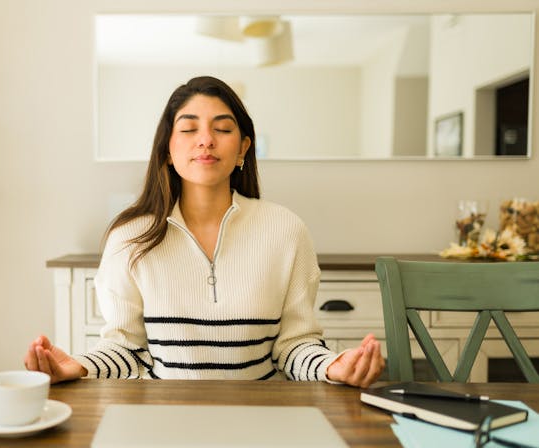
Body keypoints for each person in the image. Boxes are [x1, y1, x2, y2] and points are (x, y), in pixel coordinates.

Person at [25, 76, 384, 387]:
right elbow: (127, 349)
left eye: (223, 129)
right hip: (164, 417)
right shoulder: (129, 237)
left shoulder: (285, 230)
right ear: (168, 148)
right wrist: (80, 365)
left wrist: (332, 366)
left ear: (243, 147)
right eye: (188, 128)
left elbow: (293, 345)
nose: (206, 140)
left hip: (262, 417)